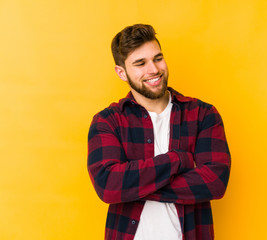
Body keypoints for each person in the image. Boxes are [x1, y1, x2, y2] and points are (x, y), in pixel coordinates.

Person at [87, 24, 231, 240]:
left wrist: (133, 186)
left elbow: (215, 182)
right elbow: (108, 185)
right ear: (121, 72)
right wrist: (177, 160)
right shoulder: (108, 121)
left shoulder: (203, 115)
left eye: (158, 58)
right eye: (140, 63)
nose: (153, 69)